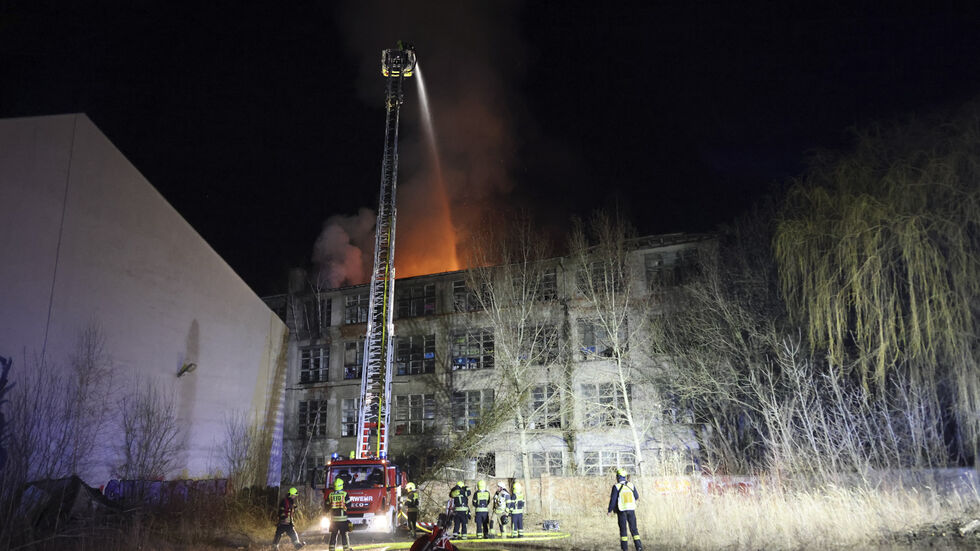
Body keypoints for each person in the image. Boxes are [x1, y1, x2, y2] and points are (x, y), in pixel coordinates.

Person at [607, 468, 643, 551]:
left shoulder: (616, 486)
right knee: (634, 530)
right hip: (631, 510)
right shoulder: (631, 485)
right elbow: (636, 496)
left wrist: (609, 510)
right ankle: (639, 547)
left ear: (618, 477)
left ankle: (625, 549)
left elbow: (613, 500)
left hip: (622, 511)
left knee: (623, 531)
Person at [326, 478, 353, 551]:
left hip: (333, 520)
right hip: (343, 519)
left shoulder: (330, 495)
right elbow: (349, 505)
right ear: (341, 485)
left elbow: (327, 506)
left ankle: (331, 549)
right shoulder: (344, 494)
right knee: (344, 534)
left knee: (333, 535)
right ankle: (346, 549)